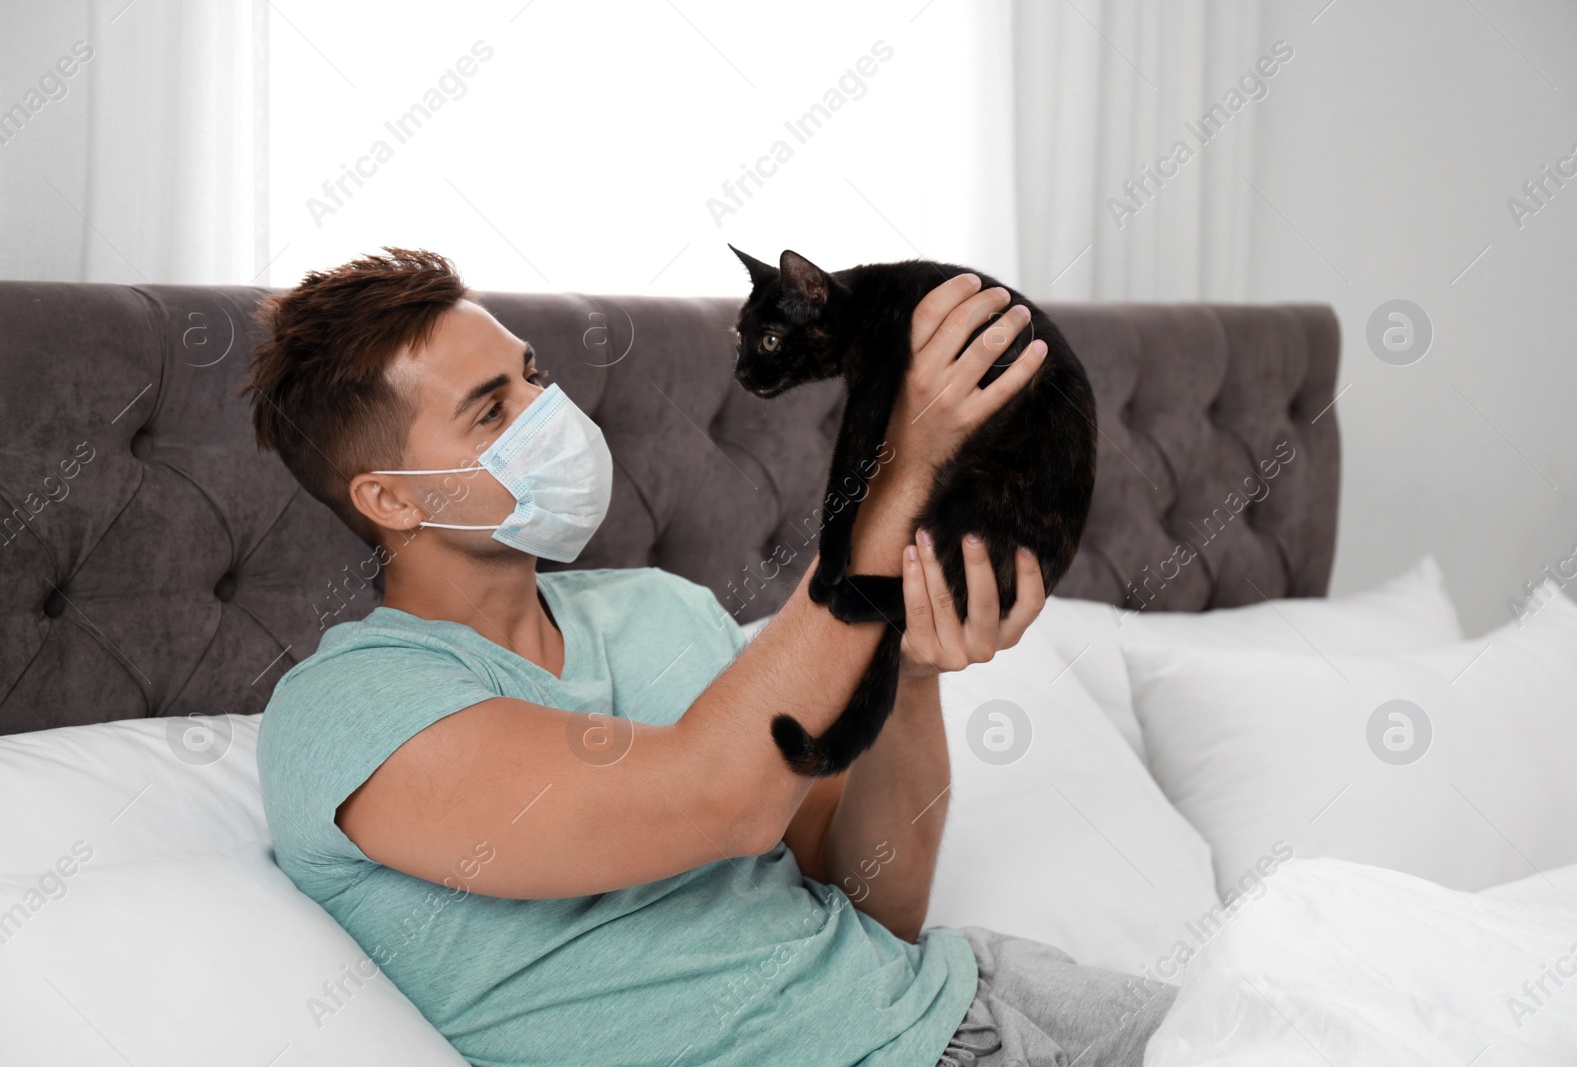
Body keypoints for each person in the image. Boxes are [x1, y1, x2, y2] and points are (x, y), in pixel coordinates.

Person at [248, 247, 1175, 1066]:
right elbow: (718, 798)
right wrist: (897, 473)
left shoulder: (665, 610)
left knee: (1305, 1000)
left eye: (534, 377)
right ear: (393, 500)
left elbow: (871, 904)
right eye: (493, 412)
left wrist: (911, 671)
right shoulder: (346, 709)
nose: (547, 411)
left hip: (977, 993)